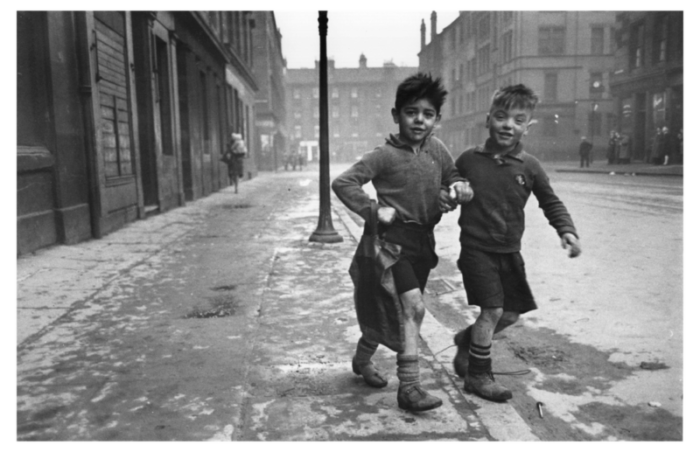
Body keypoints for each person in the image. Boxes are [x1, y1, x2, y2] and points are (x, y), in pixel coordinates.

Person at [332, 73, 473, 412]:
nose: (419, 120)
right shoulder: (383, 155)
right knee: (412, 308)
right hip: (389, 245)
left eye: (427, 114)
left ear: (437, 119)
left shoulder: (437, 149)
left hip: (421, 245)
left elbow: (452, 178)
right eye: (411, 112)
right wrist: (374, 209)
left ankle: (362, 359)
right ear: (396, 115)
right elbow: (343, 183)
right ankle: (409, 387)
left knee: (395, 311)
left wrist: (457, 190)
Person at [450, 84, 581, 402]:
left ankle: (466, 341)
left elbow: (551, 202)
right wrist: (455, 189)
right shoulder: (468, 160)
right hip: (477, 249)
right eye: (501, 116)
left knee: (510, 315)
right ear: (488, 119)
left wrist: (567, 230)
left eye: (518, 120)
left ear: (528, 126)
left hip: (509, 252)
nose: (508, 125)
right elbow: (448, 185)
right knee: (493, 310)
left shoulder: (530, 166)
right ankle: (479, 376)